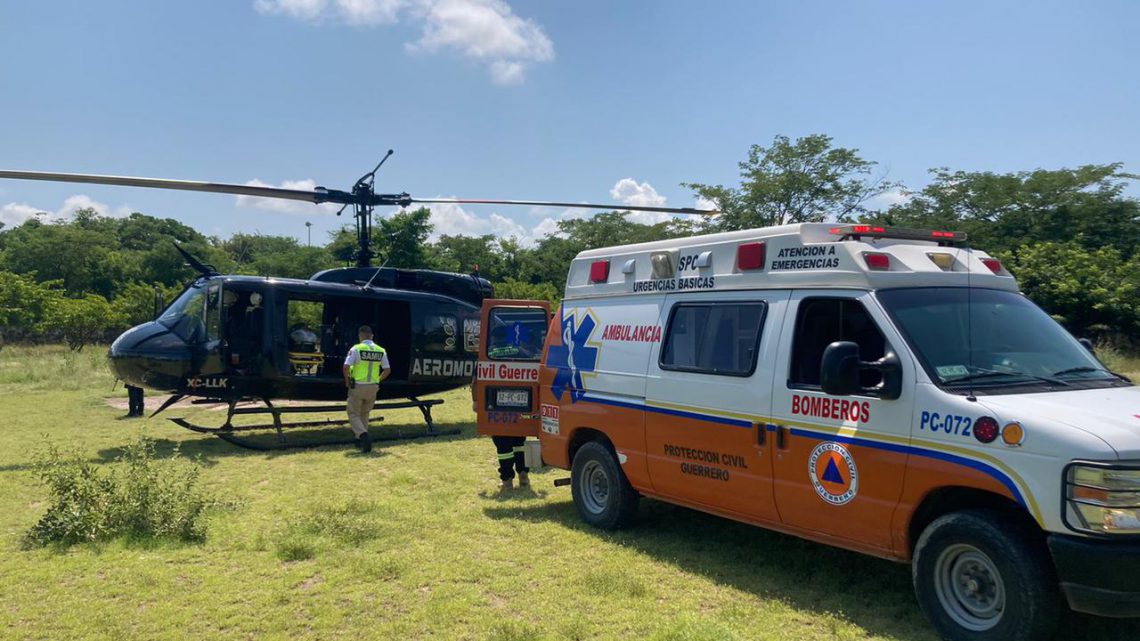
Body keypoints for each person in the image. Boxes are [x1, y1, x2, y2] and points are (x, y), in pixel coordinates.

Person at [342, 325, 390, 452]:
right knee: (365, 413)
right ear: (372, 336)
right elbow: (387, 370)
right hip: (373, 386)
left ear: (360, 335)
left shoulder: (356, 349)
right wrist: (378, 380)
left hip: (358, 385)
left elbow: (346, 366)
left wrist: (347, 381)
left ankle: (363, 435)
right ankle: (359, 441)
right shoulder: (381, 350)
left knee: (353, 412)